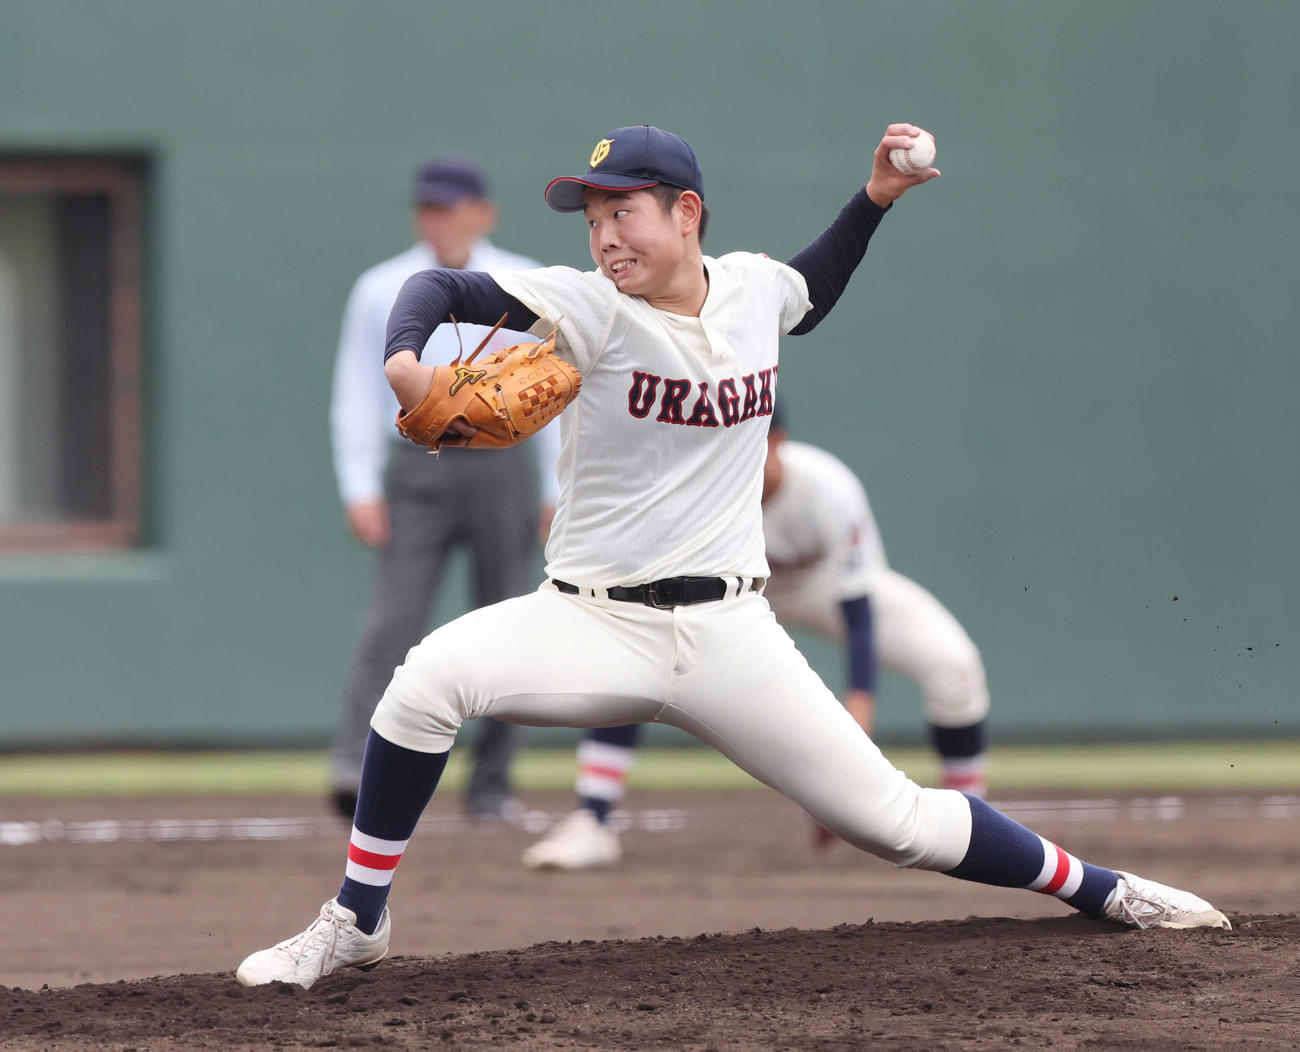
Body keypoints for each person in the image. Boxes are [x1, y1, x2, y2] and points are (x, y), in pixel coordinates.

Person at [238, 123, 1229, 990]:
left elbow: (816, 285)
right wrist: (408, 359)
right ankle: (356, 920)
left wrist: (874, 198)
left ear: (686, 212)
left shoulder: (754, 288)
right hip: (591, 617)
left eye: (622, 212)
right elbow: (441, 283)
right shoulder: (586, 306)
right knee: (422, 683)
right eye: (591, 219)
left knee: (899, 823)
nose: (603, 236)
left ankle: (1107, 889)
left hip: (730, 632)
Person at [523, 410, 991, 869]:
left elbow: (859, 615)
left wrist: (858, 725)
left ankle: (971, 825)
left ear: (778, 440)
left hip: (820, 589)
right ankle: (593, 820)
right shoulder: (699, 491)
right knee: (633, 654)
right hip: (729, 597)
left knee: (954, 664)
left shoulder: (827, 487)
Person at [327, 155, 556, 821]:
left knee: (506, 625)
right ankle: (354, 767)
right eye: (428, 207)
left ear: (482, 212)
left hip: (501, 466)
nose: (439, 219)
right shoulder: (380, 288)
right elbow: (357, 390)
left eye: (451, 206)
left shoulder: (526, 282)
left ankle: (492, 786)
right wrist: (359, 485)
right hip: (419, 466)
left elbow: (549, 392)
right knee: (391, 624)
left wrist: (556, 488)